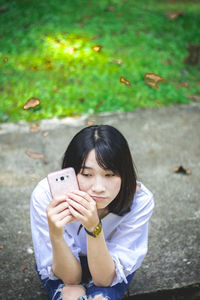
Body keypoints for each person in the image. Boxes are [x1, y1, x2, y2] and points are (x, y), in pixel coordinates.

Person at [30, 125, 154, 300]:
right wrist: (56, 235)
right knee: (70, 294)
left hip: (109, 264)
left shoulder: (139, 201)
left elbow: (104, 279)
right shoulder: (46, 197)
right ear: (71, 172)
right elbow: (70, 278)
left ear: (125, 174)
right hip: (63, 265)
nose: (98, 188)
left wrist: (93, 227)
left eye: (109, 174)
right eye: (87, 174)